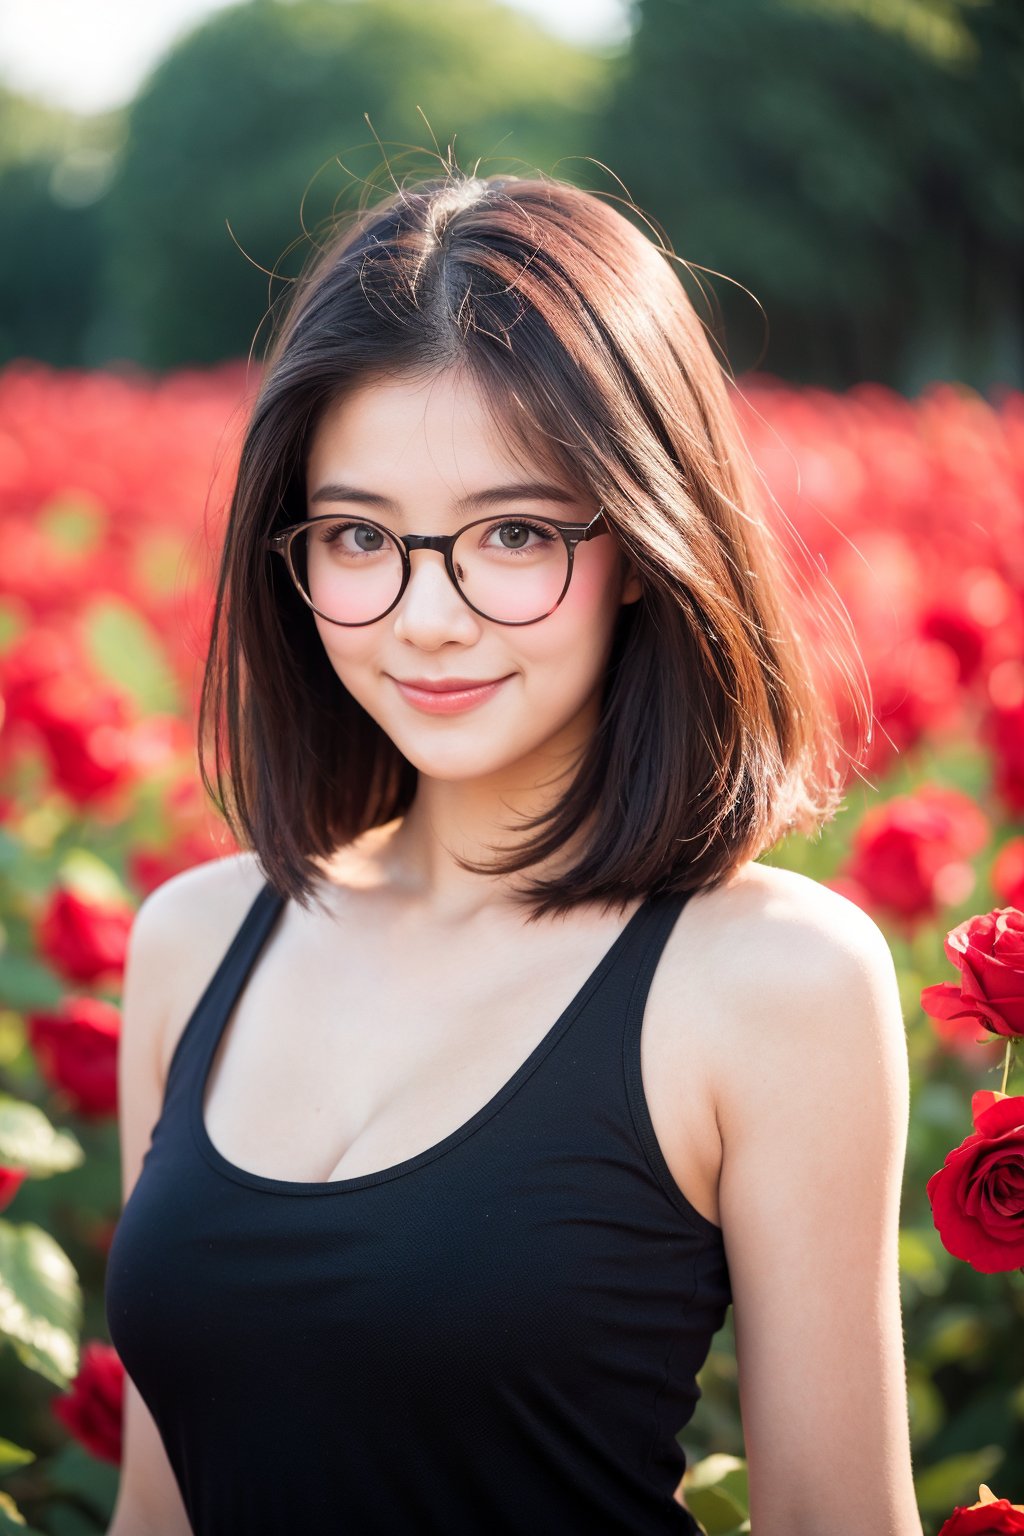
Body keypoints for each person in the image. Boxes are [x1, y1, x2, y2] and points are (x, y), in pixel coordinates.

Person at [104, 166, 923, 1536]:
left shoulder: (770, 984)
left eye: (515, 534)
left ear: (651, 544)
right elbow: (155, 1513)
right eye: (361, 535)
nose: (428, 617)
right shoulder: (195, 943)